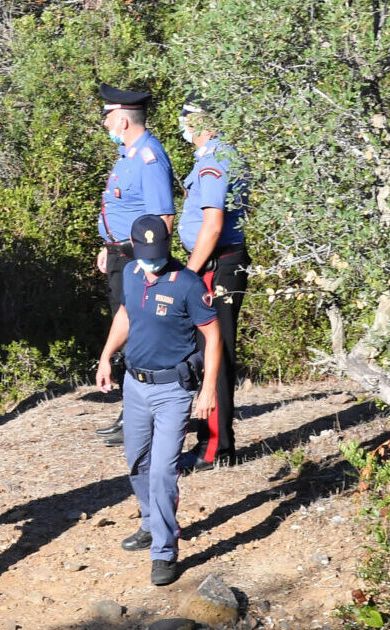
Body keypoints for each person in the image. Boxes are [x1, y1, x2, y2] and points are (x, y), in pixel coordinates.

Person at [95, 215, 222, 586]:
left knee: (164, 470)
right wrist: (106, 356)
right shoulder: (133, 273)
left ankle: (164, 551)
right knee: (137, 463)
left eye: (158, 254)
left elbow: (212, 338)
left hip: (173, 391)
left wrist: (208, 389)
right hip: (135, 386)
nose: (152, 263)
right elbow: (125, 315)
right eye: (146, 255)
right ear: (134, 248)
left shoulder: (187, 283)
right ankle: (151, 523)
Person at [94, 84, 177, 447]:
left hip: (136, 256)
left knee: (135, 333)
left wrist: (151, 267)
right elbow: (122, 206)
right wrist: (106, 243)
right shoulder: (128, 153)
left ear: (123, 119)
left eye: (107, 116)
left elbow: (164, 217)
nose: (105, 123)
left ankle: (139, 416)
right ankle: (131, 412)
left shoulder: (149, 157)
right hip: (119, 252)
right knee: (124, 328)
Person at [176, 93, 250, 471]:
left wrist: (189, 272)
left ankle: (216, 448)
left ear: (201, 121)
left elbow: (213, 224)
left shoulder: (215, 160)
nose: (182, 124)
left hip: (217, 265)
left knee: (215, 352)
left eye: (185, 117)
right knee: (206, 350)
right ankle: (208, 436)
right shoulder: (213, 157)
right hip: (216, 263)